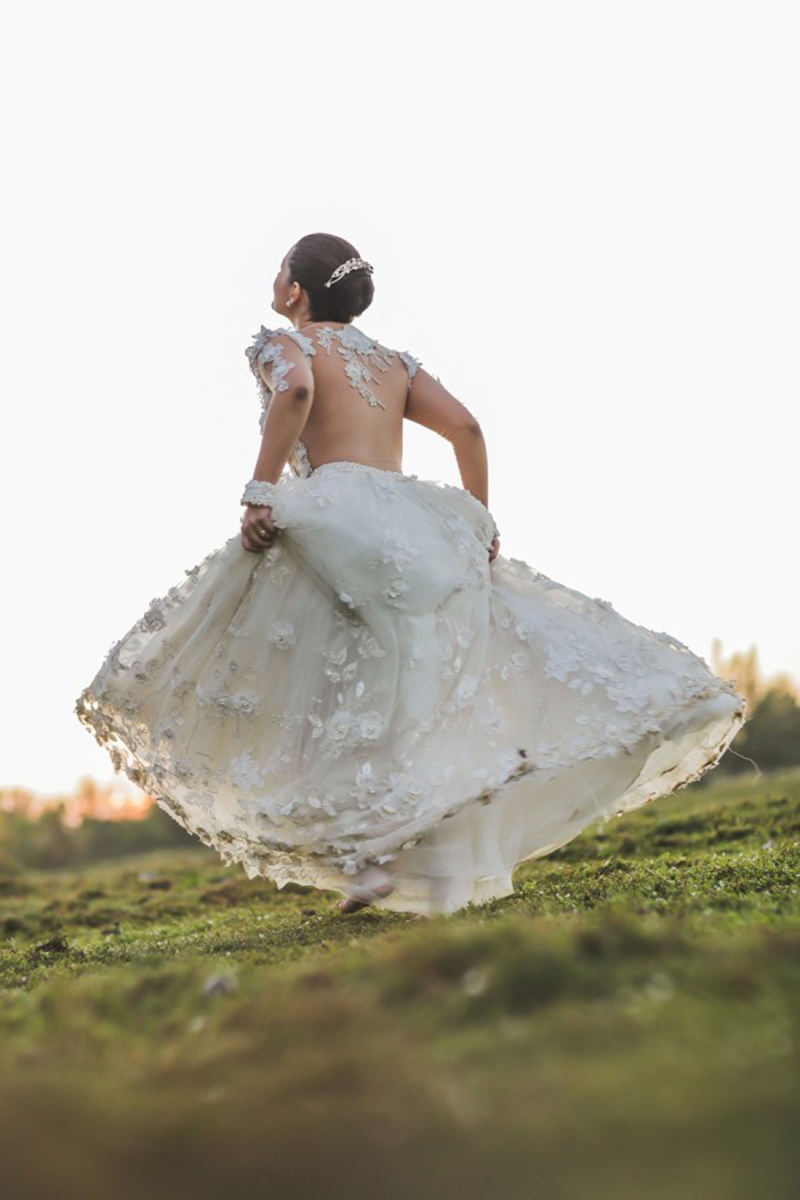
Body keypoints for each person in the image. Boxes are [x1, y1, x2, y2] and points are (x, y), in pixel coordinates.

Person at [75, 232, 748, 918]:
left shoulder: (282, 346)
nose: (275, 278)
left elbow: (299, 390)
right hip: (418, 529)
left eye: (281, 268)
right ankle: (424, 863)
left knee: (322, 690)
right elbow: (467, 430)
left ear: (296, 292)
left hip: (335, 520)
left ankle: (369, 860)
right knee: (414, 696)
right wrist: (477, 522)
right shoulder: (393, 363)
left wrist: (261, 489)